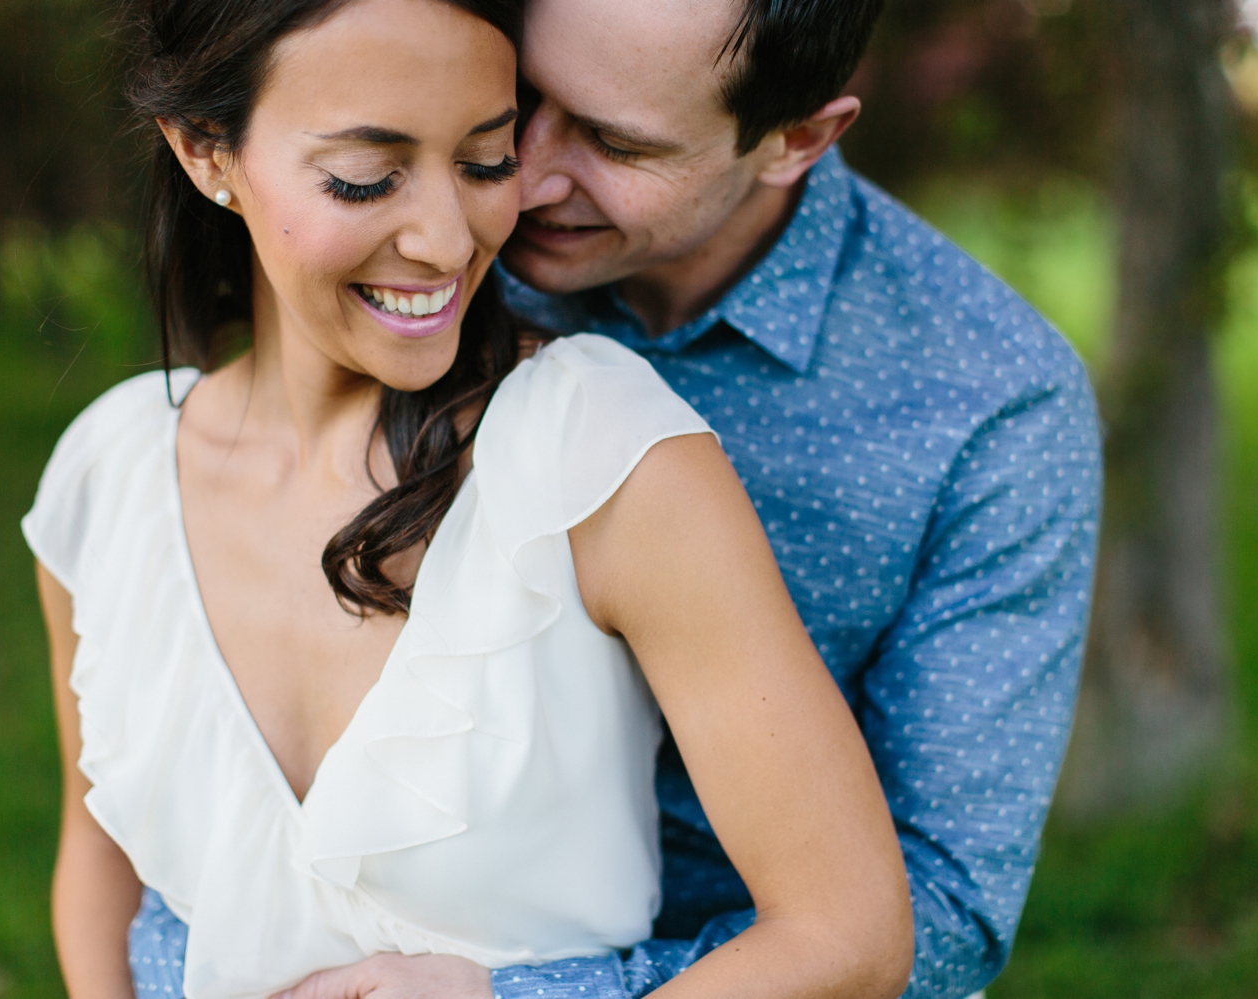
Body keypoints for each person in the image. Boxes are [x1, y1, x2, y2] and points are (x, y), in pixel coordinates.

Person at [27, 1, 916, 998]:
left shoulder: (601, 452)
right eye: (365, 177)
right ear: (205, 152)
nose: (448, 242)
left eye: (487, 162)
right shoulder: (109, 470)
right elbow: (99, 863)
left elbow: (849, 935)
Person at [471, 1, 1104, 998]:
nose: (526, 174)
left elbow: (945, 908)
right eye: (523, 96)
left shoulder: (991, 400)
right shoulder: (433, 251)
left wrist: (526, 995)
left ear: (796, 140)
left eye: (613, 142)